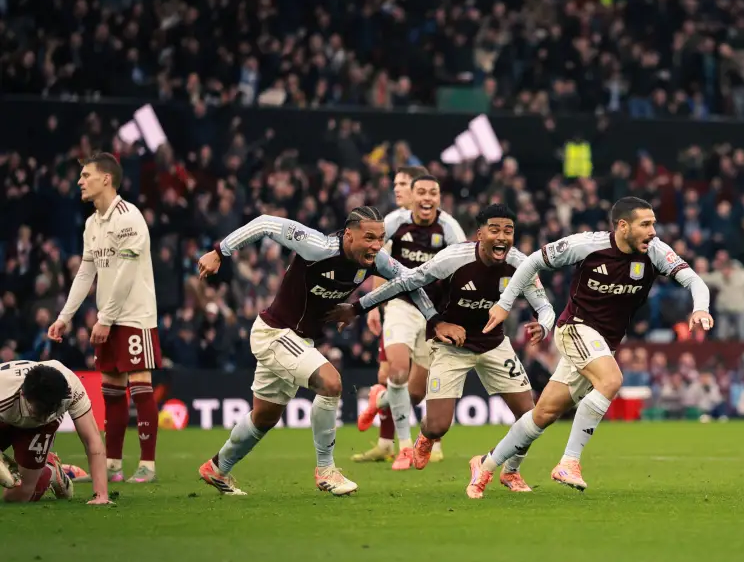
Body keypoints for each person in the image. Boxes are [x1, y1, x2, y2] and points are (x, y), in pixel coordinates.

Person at [472, 197, 712, 494]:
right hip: (574, 328)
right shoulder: (587, 245)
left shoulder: (656, 251)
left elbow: (694, 281)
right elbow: (533, 261)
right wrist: (505, 304)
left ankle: (485, 465)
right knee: (611, 380)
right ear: (623, 226)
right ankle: (569, 462)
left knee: (543, 414)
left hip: (603, 343)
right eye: (645, 224)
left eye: (653, 224)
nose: (652, 231)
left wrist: (701, 308)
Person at [194, 206, 438, 496]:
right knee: (331, 382)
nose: (375, 245)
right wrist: (220, 252)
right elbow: (265, 223)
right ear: (349, 235)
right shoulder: (317, 246)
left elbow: (411, 282)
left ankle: (217, 468)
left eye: (380, 238)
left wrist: (432, 318)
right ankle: (326, 471)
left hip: (298, 341)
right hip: (274, 333)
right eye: (369, 237)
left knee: (264, 418)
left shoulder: (376, 260)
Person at [329, 204, 555, 493]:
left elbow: (545, 307)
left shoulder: (521, 264)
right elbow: (406, 282)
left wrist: (543, 325)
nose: (502, 237)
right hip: (452, 346)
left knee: (531, 417)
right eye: (494, 230)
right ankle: (424, 438)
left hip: (494, 344)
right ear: (479, 234)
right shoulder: (453, 258)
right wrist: (358, 307)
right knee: (437, 427)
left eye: (508, 231)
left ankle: (510, 471)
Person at [48, 153, 161, 484]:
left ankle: (148, 466)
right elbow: (85, 273)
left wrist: (106, 318)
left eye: (86, 175)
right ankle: (112, 465)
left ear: (106, 179)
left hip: (134, 315)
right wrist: (65, 317)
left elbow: (126, 274)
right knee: (111, 389)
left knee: (140, 386)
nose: (80, 181)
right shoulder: (92, 224)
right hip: (108, 318)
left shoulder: (129, 218)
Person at [355, 172, 465, 470]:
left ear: (439, 198)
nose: (427, 198)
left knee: (415, 393)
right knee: (399, 371)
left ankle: (379, 400)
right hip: (401, 305)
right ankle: (404, 447)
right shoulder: (394, 222)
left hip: (432, 314)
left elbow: (465, 265)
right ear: (412, 196)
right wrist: (374, 304)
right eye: (422, 192)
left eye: (433, 193)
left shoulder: (449, 227)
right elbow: (371, 252)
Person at [0, 360, 110, 504]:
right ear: (23, 394)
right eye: (38, 410)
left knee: (16, 497)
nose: (43, 417)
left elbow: (92, 439)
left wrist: (101, 495)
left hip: (39, 430)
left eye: (49, 411)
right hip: (4, 415)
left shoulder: (71, 387)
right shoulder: (4, 390)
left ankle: (50, 472)